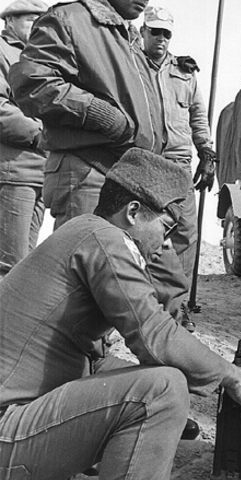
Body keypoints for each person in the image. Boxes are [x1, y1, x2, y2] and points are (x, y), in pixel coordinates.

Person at [0, 147, 241, 480]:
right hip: (7, 430)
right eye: (166, 228)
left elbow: (98, 357)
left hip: (17, 411)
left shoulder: (84, 230)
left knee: (128, 371)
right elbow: (154, 335)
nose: (166, 244)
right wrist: (232, 375)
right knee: (163, 390)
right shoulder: (106, 239)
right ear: (133, 212)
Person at [8, 0, 193, 323]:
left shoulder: (127, 35)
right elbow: (32, 82)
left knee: (166, 280)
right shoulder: (70, 19)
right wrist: (105, 117)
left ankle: (179, 362)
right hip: (87, 170)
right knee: (85, 291)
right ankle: (81, 370)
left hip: (132, 175)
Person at [140, 5, 217, 281]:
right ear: (143, 32)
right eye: (156, 32)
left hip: (179, 164)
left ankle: (178, 303)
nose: (161, 39)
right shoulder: (130, 66)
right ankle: (143, 298)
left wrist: (207, 152)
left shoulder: (185, 72)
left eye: (166, 34)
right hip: (143, 163)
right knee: (143, 232)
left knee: (185, 232)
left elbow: (198, 116)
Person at [0, 0, 48, 280]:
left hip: (39, 172)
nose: (38, 26)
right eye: (31, 20)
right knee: (9, 264)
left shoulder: (39, 57)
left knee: (25, 265)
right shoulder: (4, 51)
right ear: (9, 22)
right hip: (14, 171)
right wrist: (41, 134)